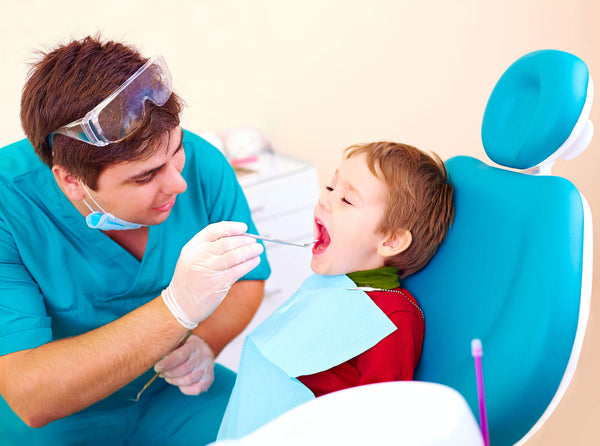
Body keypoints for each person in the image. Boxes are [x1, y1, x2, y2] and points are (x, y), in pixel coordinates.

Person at [0, 35, 270, 445]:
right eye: (145, 176)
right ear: (71, 180)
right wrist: (177, 310)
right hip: (61, 414)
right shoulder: (10, 204)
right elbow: (31, 394)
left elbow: (248, 280)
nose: (179, 183)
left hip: (170, 393)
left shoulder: (202, 164)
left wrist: (203, 342)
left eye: (176, 152)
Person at [217, 141, 454, 440]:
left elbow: (379, 423)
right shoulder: (334, 284)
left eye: (347, 200)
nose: (324, 201)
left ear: (391, 241)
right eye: (330, 188)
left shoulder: (392, 318)